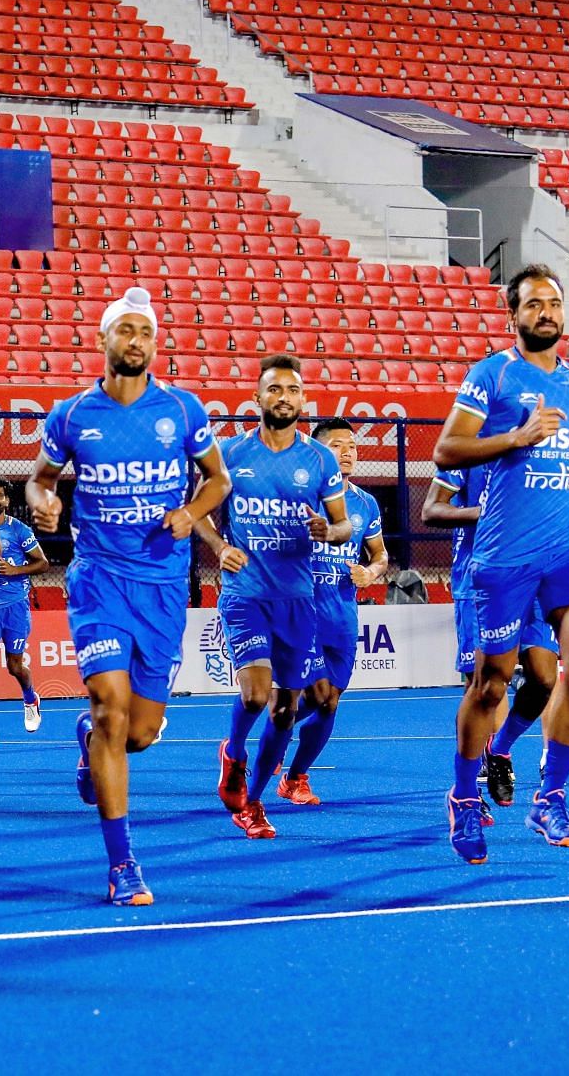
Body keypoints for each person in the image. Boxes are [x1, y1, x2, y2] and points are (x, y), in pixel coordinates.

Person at [27, 286, 230, 905]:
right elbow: (38, 480)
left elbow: (218, 480)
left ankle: (90, 741)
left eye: (145, 332)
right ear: (104, 339)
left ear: (155, 344)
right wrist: (44, 502)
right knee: (113, 707)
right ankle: (122, 865)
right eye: (126, 330)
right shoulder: (71, 415)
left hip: (165, 589)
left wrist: (191, 511)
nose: (136, 341)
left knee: (137, 732)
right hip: (98, 581)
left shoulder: (185, 410)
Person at [433, 264, 569, 864]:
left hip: (567, 542)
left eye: (554, 303)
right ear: (513, 316)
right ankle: (462, 797)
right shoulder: (491, 376)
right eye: (533, 304)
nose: (546, 312)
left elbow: (564, 460)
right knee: (489, 686)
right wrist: (516, 437)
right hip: (504, 555)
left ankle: (551, 796)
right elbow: (446, 450)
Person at [197, 354, 350, 841]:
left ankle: (255, 802)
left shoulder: (319, 459)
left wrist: (330, 529)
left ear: (303, 399)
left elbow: (343, 525)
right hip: (245, 595)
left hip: (298, 601)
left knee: (286, 709)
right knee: (256, 694)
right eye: (274, 389)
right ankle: (235, 752)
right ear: (257, 398)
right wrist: (220, 547)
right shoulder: (230, 454)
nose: (284, 397)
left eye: (293, 390)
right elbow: (196, 510)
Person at [421, 464, 557, 818]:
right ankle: (467, 790)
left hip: (535, 575)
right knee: (486, 687)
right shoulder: (466, 451)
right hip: (480, 579)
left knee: (544, 677)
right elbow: (431, 511)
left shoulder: (539, 450)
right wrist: (485, 512)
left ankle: (499, 750)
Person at [266, 417, 388, 805]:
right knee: (312, 694)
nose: (348, 452)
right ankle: (276, 739)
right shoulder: (297, 496)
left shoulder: (366, 504)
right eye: (338, 445)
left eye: (352, 445)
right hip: (302, 613)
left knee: (329, 702)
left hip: (343, 616)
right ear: (319, 452)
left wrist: (370, 571)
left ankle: (294, 776)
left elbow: (381, 555)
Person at [0, 478, 49, 732]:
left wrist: (17, 570)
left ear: (7, 501)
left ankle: (30, 699)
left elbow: (43, 564)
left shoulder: (19, 531)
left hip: (15, 607)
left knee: (16, 666)